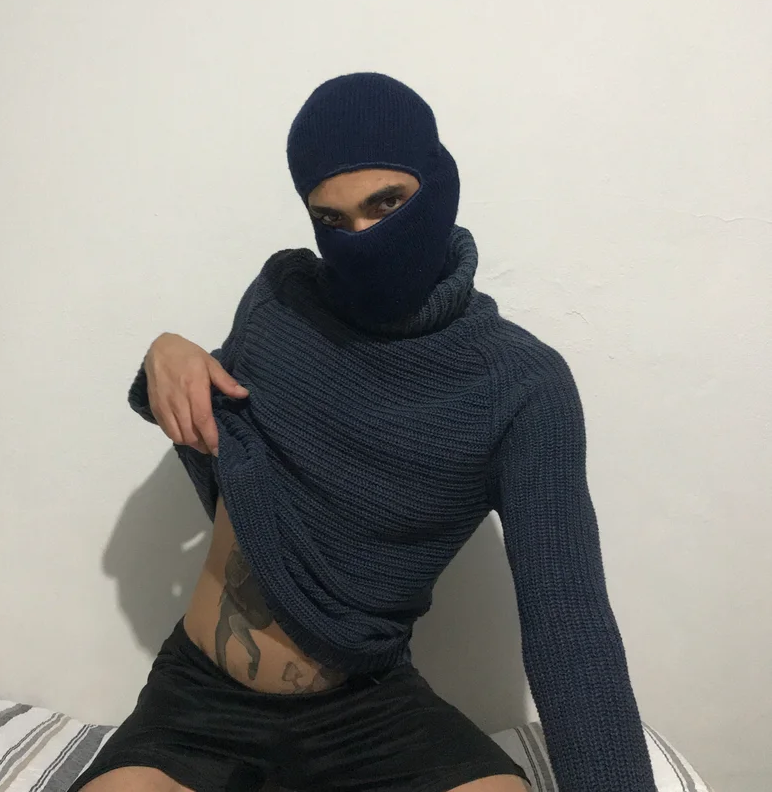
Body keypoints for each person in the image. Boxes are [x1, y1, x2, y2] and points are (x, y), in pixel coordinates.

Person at [68, 73, 657, 792]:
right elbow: (223, 433)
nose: (363, 239)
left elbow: (570, 623)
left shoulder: (522, 387)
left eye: (387, 204)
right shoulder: (283, 301)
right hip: (200, 701)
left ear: (438, 184)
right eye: (332, 219)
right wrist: (166, 354)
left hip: (369, 711)